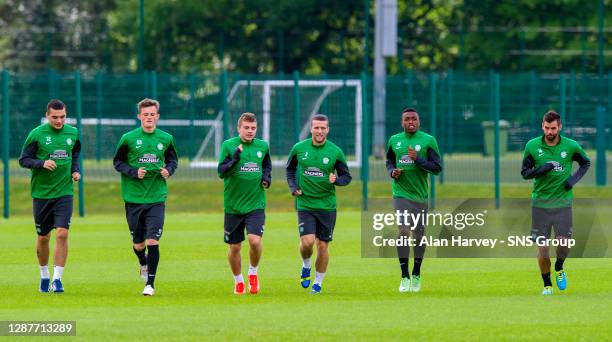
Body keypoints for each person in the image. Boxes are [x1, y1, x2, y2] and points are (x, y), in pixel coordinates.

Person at [113, 98, 178, 296]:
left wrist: (168, 170)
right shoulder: (128, 138)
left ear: (157, 116)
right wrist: (134, 172)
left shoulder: (166, 139)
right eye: (145, 114)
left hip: (156, 197)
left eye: (152, 114)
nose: (149, 118)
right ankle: (142, 262)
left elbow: (173, 160)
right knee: (139, 244)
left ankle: (150, 284)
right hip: (133, 197)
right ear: (139, 116)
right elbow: (117, 162)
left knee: (152, 241)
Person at [521, 110, 590, 295]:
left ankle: (559, 267)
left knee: (564, 245)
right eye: (546, 128)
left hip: (563, 204)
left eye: (553, 128)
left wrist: (572, 181)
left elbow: (586, 163)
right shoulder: (532, 146)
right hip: (540, 204)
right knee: (543, 250)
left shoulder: (571, 146)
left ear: (560, 127)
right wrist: (541, 169)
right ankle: (547, 285)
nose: (549, 132)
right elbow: (525, 173)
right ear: (542, 126)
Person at [19, 99, 81, 293]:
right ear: (47, 116)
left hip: (64, 192)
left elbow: (75, 154)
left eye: (62, 117)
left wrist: (75, 170)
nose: (59, 121)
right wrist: (41, 163)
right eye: (55, 117)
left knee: (62, 233)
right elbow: (23, 160)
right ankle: (44, 275)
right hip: (42, 193)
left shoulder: (73, 133)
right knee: (44, 237)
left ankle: (57, 279)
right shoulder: (36, 135)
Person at [286, 114, 352, 294]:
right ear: (311, 128)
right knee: (307, 243)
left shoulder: (335, 152)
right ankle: (306, 265)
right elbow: (290, 169)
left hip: (327, 206)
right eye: (316, 127)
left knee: (322, 245)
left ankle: (318, 283)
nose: (320, 131)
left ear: (328, 130)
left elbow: (347, 177)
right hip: (305, 204)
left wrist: (336, 180)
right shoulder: (299, 148)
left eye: (323, 128)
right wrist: (293, 187)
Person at [385, 108, 442, 293]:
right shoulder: (394, 140)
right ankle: (404, 276)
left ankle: (416, 272)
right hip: (400, 194)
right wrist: (392, 172)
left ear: (419, 121)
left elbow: (437, 168)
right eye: (407, 119)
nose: (411, 122)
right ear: (402, 122)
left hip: (420, 196)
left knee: (418, 235)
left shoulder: (428, 140)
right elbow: (389, 161)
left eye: (414, 119)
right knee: (403, 231)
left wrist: (418, 159)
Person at [217, 112, 271, 295]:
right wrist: (235, 159)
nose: (250, 131)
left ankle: (253, 273)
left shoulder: (262, 146)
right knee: (235, 247)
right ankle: (238, 280)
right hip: (233, 206)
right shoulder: (228, 145)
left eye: (253, 128)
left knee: (254, 241)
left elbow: (266, 165)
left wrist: (266, 178)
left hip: (255, 204)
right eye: (246, 128)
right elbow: (222, 172)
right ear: (239, 128)